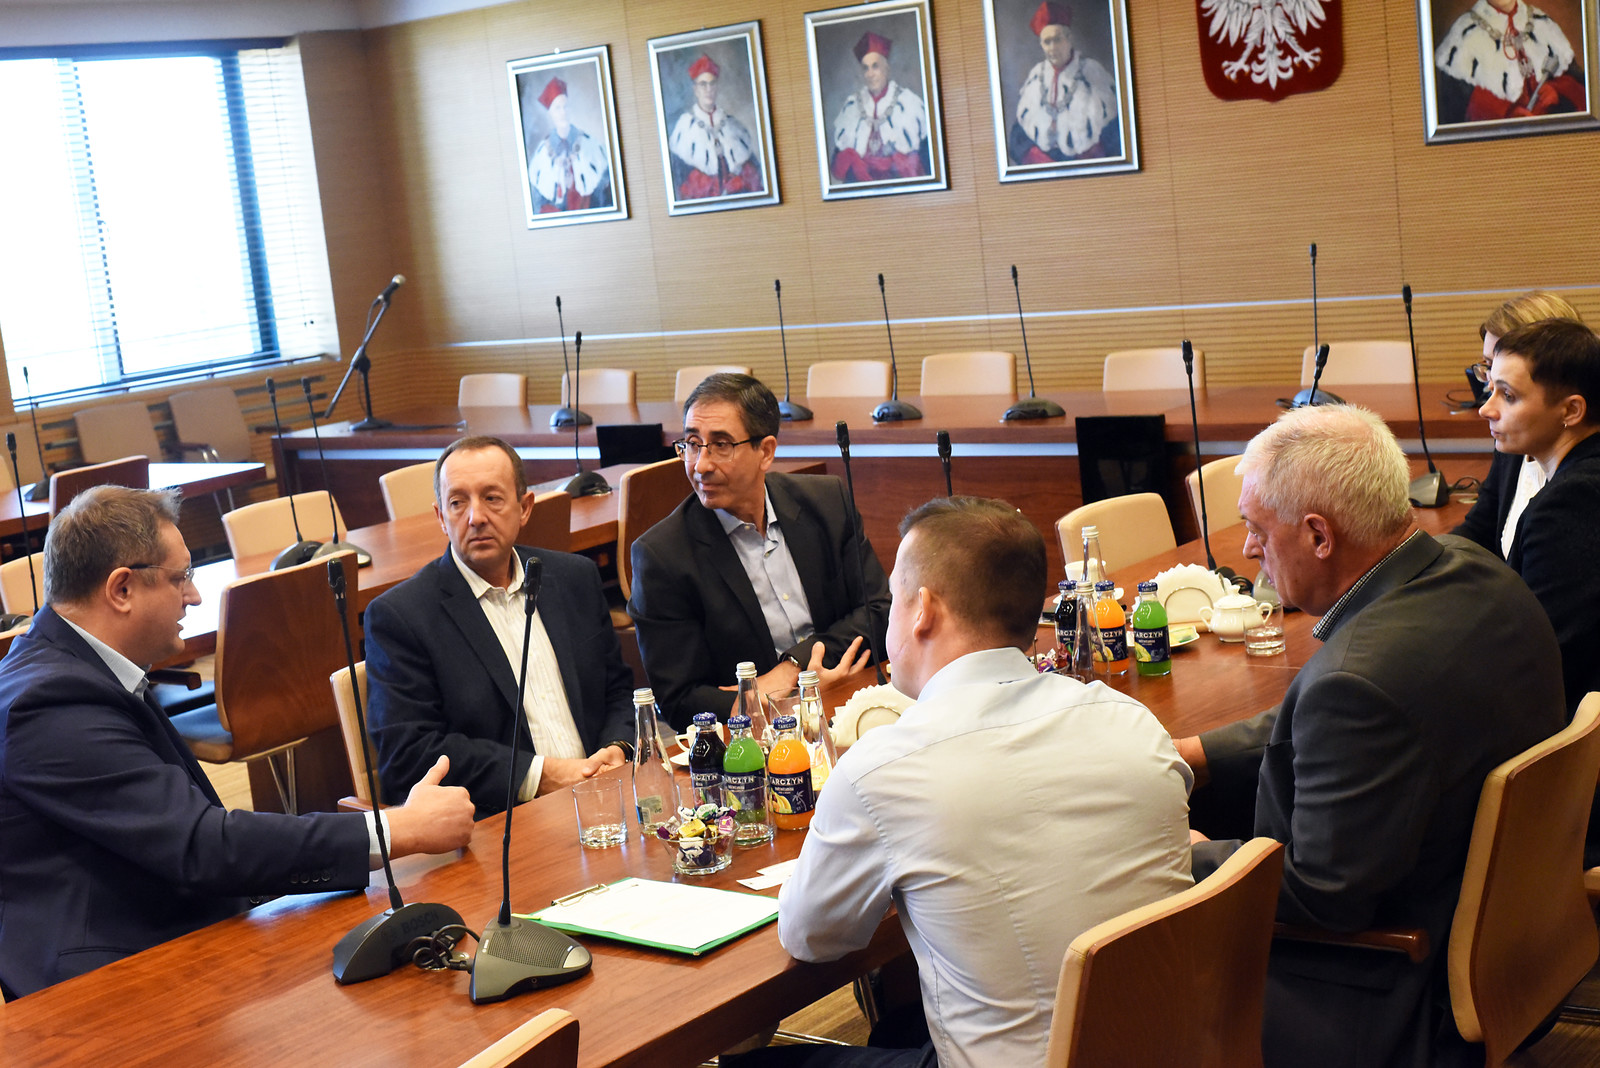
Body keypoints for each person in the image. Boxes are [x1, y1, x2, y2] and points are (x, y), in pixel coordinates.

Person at [726, 497, 1193, 1068]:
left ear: (922, 610)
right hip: (1167, 1044)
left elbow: (810, 938)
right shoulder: (1131, 721)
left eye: (894, 599)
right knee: (898, 1027)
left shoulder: (882, 770)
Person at [1176, 404, 1565, 1068]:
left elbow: (1321, 898)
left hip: (1382, 993)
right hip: (1517, 952)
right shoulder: (1476, 575)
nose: (1248, 551)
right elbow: (1340, 725)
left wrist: (1189, 856)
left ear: (1319, 535)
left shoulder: (1357, 685)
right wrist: (1197, 755)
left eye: (1257, 530)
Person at [0, 486, 475, 999]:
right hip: (107, 982)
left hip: (178, 920)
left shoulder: (83, 666)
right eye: (181, 577)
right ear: (121, 589)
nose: (194, 596)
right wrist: (396, 830)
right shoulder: (49, 703)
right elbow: (202, 844)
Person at [366, 436, 635, 819]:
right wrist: (540, 776)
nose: (475, 517)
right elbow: (407, 757)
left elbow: (618, 690)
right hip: (504, 823)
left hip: (607, 797)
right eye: (457, 503)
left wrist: (617, 747)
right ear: (441, 516)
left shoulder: (573, 577)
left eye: (492, 498)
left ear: (524, 508)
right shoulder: (401, 617)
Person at [627, 373, 885, 728]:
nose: (700, 465)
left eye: (721, 445)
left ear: (765, 451)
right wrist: (776, 700)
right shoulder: (661, 556)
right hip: (755, 735)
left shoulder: (827, 502)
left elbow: (878, 610)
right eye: (692, 444)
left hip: (853, 701)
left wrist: (793, 669)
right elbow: (678, 699)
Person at [1453, 310, 1600, 715]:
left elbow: (1542, 660)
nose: (1486, 409)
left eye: (1508, 395)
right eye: (1490, 389)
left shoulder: (1570, 504)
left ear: (1571, 411)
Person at [1434, 0, 1585, 123]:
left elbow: (1580, 90)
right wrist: (1505, 116)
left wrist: (1556, 92)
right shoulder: (1462, 37)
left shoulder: (1543, 24)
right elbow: (1454, 116)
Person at [1008, 1, 1120, 165]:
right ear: (1041, 45)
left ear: (1069, 39)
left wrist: (1091, 158)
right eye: (1047, 42)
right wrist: (1037, 160)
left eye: (1057, 39)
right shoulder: (1035, 76)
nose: (1053, 48)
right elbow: (1018, 135)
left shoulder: (1093, 72)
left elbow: (1117, 130)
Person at [830, 31, 931, 184]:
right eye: (865, 68)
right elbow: (836, 169)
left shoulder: (909, 104)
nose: (870, 74)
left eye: (875, 66)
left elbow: (927, 165)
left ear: (886, 68)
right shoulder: (851, 107)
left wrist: (896, 162)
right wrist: (851, 157)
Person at [668, 54, 764, 201]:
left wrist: (740, 181)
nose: (709, 89)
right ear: (695, 89)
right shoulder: (685, 127)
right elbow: (681, 181)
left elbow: (754, 175)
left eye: (712, 84)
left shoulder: (733, 125)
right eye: (703, 84)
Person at [527, 76, 613, 213]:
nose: (563, 112)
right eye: (557, 108)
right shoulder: (542, 152)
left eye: (565, 106)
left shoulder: (590, 144)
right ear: (550, 113)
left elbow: (604, 193)